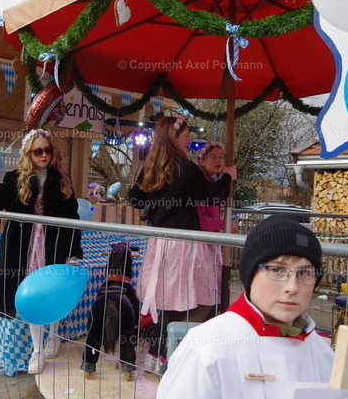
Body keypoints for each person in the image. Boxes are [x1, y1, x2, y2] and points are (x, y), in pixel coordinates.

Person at [157, 215, 334, 398]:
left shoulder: (323, 354)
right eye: (277, 270)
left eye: (305, 272)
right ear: (250, 274)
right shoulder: (207, 350)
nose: (292, 287)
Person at [0, 128, 83, 374]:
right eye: (38, 151)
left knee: (53, 291)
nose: (44, 155)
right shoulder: (16, 178)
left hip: (54, 244)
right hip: (25, 245)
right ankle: (37, 350)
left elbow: (73, 217)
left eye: (48, 150)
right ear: (29, 154)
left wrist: (74, 251)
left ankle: (54, 336)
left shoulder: (62, 179)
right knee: (34, 294)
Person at [128, 115, 236, 372]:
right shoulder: (184, 167)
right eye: (186, 136)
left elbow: (135, 198)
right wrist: (227, 178)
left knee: (170, 300)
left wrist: (158, 203)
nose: (189, 141)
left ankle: (157, 354)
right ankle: (173, 351)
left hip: (160, 243)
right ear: (174, 138)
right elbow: (213, 196)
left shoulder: (152, 165)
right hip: (185, 243)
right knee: (204, 297)